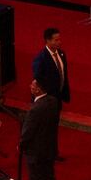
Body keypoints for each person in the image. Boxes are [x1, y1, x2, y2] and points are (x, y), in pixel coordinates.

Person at [20, 79, 59, 180]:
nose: (30, 86)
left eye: (33, 85)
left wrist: (21, 145)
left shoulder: (35, 109)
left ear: (38, 90)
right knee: (49, 179)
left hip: (35, 153)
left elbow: (27, 133)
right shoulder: (53, 102)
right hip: (49, 149)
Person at [30, 28, 70, 160]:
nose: (59, 42)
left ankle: (53, 153)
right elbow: (38, 77)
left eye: (59, 39)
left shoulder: (61, 54)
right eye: (56, 40)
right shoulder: (40, 59)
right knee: (45, 128)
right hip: (47, 101)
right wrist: (47, 96)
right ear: (47, 41)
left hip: (57, 99)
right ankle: (42, 153)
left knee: (53, 127)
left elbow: (63, 75)